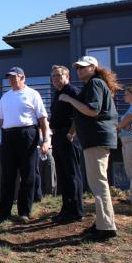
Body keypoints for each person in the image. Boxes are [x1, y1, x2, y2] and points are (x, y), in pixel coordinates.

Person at [59, 56, 119, 241]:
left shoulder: (95, 84)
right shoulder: (95, 84)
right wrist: (74, 131)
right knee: (97, 182)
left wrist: (69, 99)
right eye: (77, 68)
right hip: (95, 139)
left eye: (83, 67)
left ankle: (106, 227)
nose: (79, 70)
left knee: (98, 183)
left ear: (93, 67)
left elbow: (92, 110)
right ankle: (102, 222)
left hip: (96, 139)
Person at [0, 66, 50, 223]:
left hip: (28, 134)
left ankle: (24, 212)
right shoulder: (5, 97)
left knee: (28, 174)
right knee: (7, 175)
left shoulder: (33, 94)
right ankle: (3, 214)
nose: (11, 80)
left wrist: (46, 140)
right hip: (8, 136)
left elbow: (42, 119)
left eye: (14, 77)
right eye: (9, 77)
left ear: (23, 77)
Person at [49, 65, 84, 223]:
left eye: (58, 75)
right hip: (57, 136)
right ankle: (66, 208)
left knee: (71, 174)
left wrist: (72, 132)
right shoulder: (57, 94)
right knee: (63, 174)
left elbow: (80, 113)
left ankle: (76, 211)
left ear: (67, 77)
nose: (55, 79)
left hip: (69, 136)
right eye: (53, 76)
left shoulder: (72, 92)